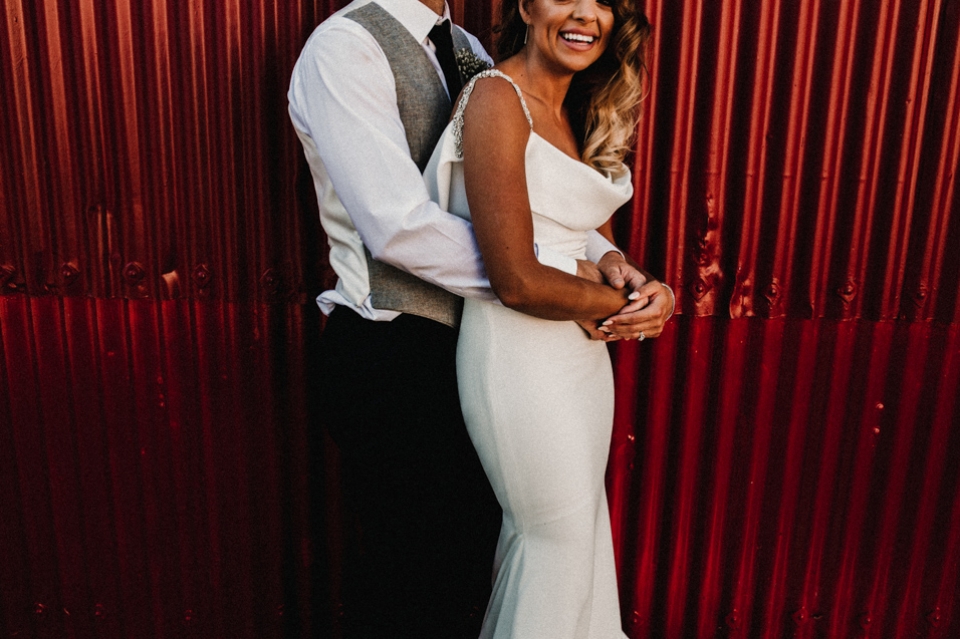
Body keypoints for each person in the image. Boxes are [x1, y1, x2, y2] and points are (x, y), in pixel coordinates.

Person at [287, 0, 670, 636]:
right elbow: (397, 227)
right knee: (407, 586)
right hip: (393, 348)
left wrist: (610, 264)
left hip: (479, 343)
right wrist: (553, 277)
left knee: (470, 574)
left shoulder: (467, 48)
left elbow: (535, 194)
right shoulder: (345, 47)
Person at [421, 0, 669, 636]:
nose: (585, 14)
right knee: (552, 542)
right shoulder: (496, 97)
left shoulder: (574, 107)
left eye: (603, 3)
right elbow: (517, 279)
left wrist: (638, 281)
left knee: (581, 539)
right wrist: (628, 309)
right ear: (528, 7)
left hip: (581, 360)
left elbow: (579, 231)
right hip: (518, 354)